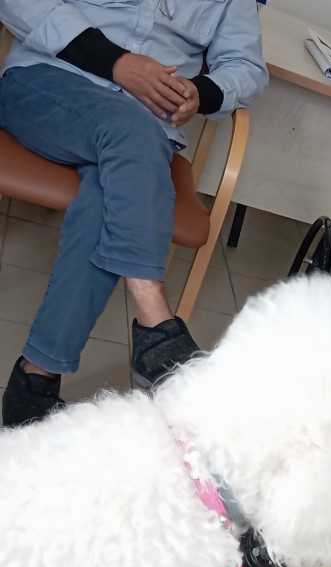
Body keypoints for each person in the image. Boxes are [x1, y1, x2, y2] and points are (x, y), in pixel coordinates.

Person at [0, 0, 268, 427]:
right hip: (50, 83)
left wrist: (201, 93)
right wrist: (116, 63)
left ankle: (33, 385)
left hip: (145, 132)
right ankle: (154, 322)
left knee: (107, 197)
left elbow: (246, 67)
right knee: (131, 138)